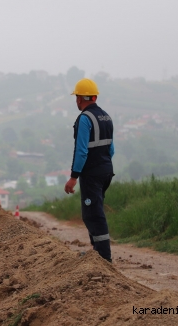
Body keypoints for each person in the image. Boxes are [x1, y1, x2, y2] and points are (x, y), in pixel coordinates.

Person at [63, 78, 115, 262]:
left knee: (93, 215)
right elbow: (111, 149)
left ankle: (103, 258)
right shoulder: (106, 117)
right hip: (106, 171)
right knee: (94, 210)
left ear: (79, 98)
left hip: (92, 174)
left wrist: (73, 177)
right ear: (94, 96)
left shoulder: (85, 119)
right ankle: (97, 253)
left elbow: (81, 151)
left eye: (76, 97)